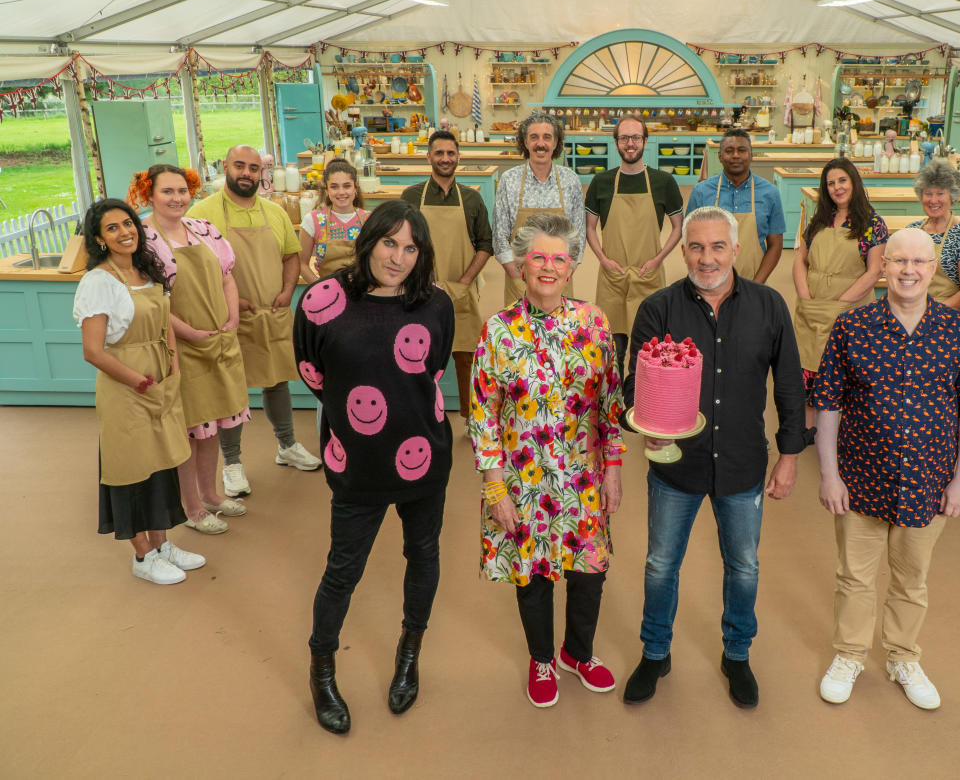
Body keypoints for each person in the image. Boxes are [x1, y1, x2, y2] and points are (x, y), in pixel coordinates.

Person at [622, 206, 808, 709]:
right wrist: (642, 426)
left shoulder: (770, 306)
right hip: (675, 466)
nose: (707, 258)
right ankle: (655, 652)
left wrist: (790, 454)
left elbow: (789, 385)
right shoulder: (657, 310)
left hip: (743, 463)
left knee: (743, 566)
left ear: (736, 250)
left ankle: (737, 654)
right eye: (697, 247)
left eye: (717, 246)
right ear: (683, 251)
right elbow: (631, 389)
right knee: (662, 564)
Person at [813, 227, 960, 709]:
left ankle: (902, 656)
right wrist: (829, 474)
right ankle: (850, 654)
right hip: (860, 478)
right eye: (898, 261)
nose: (909, 271)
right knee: (854, 575)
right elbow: (827, 406)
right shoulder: (852, 328)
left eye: (919, 262)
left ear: (934, 270)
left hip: (929, 481)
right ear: (883, 268)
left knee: (912, 578)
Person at [294, 200, 454, 734]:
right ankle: (321, 667)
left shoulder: (434, 303)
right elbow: (313, 373)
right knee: (343, 568)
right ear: (369, 239)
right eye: (390, 243)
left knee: (423, 554)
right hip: (358, 463)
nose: (399, 257)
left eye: (412, 248)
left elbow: (430, 371)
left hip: (424, 457)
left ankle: (410, 650)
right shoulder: (323, 300)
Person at [469, 212, 625, 709]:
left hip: (583, 474)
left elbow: (611, 405)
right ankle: (541, 659)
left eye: (559, 258)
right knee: (532, 572)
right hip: (521, 479)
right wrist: (495, 487)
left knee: (589, 570)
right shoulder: (498, 330)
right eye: (539, 257)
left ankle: (577, 653)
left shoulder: (594, 321)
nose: (549, 267)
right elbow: (483, 412)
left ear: (573, 264)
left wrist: (615, 469)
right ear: (519, 264)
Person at [73, 198, 203, 585]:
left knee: (162, 463)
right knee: (132, 468)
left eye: (128, 224)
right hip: (126, 387)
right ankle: (142, 555)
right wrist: (139, 381)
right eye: (112, 228)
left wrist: (172, 373)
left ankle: (163, 544)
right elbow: (93, 351)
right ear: (98, 238)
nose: (124, 232)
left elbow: (165, 328)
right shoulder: (98, 282)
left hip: (162, 382)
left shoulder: (148, 271)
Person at [188, 145, 321, 498]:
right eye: (239, 166)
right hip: (229, 317)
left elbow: (292, 256)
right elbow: (195, 271)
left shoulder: (274, 212)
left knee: (277, 380)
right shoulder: (203, 214)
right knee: (233, 389)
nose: (247, 173)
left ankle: (287, 445)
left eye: (253, 167)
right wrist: (230, 302)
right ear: (226, 168)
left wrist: (287, 291)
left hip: (273, 312)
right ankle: (232, 464)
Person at [132, 164, 250, 535]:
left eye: (182, 190)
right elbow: (154, 302)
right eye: (167, 191)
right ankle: (194, 507)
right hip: (179, 346)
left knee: (213, 424)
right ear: (148, 194)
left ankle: (212, 495)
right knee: (189, 428)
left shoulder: (203, 230)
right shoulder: (143, 241)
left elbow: (227, 277)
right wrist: (191, 333)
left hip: (218, 341)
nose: (177, 198)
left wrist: (230, 321)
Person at [401, 130, 492, 418]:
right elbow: (404, 241)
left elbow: (485, 244)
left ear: (458, 158)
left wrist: (465, 281)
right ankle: (422, 413)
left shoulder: (472, 199)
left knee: (466, 356)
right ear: (429, 157)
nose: (445, 158)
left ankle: (469, 416)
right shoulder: (412, 196)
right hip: (422, 288)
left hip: (461, 288)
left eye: (450, 153)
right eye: (439, 153)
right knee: (420, 357)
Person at [585, 116, 684, 374]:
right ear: (616, 142)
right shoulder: (601, 183)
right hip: (613, 277)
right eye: (624, 138)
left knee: (646, 352)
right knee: (613, 351)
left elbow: (678, 228)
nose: (630, 144)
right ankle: (613, 408)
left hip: (647, 275)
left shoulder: (664, 182)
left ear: (645, 141)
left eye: (636, 138)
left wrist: (658, 259)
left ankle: (641, 407)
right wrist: (603, 259)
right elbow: (589, 228)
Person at [793, 157, 887, 427]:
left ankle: (842, 432)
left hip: (849, 310)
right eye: (830, 183)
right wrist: (805, 297)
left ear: (854, 182)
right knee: (808, 366)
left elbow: (873, 272)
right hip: (811, 306)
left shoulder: (872, 223)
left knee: (842, 369)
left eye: (842, 180)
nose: (837, 187)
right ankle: (808, 430)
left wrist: (840, 305)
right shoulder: (820, 220)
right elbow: (800, 259)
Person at [492, 112, 585, 306]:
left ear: (556, 142)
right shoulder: (509, 180)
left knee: (560, 334)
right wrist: (517, 274)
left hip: (559, 278)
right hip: (520, 280)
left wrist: (566, 270)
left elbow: (578, 234)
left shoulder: (571, 180)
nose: (540, 144)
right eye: (534, 137)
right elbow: (500, 235)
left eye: (547, 137)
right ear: (525, 142)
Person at [685, 129, 784, 283]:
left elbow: (775, 245)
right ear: (720, 156)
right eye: (729, 151)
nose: (736, 155)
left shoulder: (770, 193)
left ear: (751, 155)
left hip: (752, 282)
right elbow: (690, 241)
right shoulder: (701, 191)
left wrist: (756, 286)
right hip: (709, 282)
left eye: (742, 150)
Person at [907, 158, 960, 310]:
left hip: (943, 317)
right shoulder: (912, 231)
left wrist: (929, 315)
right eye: (928, 193)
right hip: (909, 310)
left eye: (940, 193)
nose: (933, 200)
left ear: (952, 196)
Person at [298, 157, 368, 284]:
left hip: (362, 292)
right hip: (328, 294)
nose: (341, 192)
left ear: (355, 188)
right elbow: (301, 264)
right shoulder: (314, 220)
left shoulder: (369, 220)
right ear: (326, 190)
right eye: (334, 187)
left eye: (347, 186)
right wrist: (321, 289)